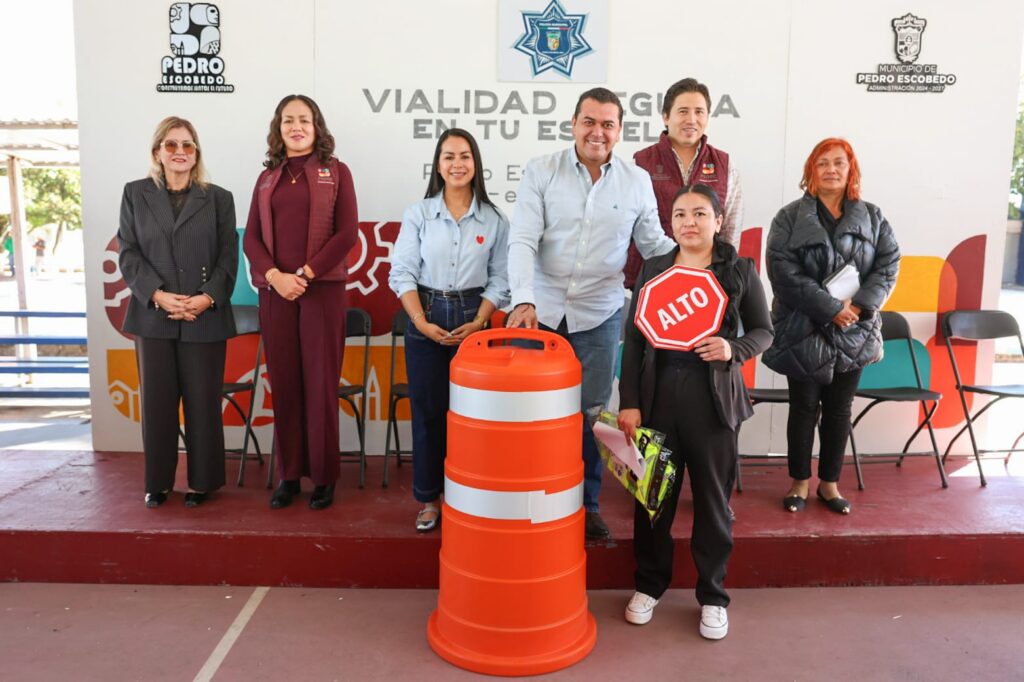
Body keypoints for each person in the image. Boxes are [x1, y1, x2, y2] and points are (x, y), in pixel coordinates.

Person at [506, 87, 676, 540]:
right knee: (532, 413)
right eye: (589, 121)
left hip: (599, 315)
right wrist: (522, 297)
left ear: (619, 131)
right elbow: (522, 239)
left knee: (592, 414)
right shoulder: (541, 171)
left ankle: (587, 506)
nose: (597, 132)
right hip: (537, 314)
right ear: (573, 124)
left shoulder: (636, 181)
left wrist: (699, 261)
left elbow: (655, 246)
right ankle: (529, 499)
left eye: (607, 124)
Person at [617, 184, 773, 640]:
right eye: (681, 213)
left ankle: (712, 596)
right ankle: (649, 585)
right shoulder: (653, 268)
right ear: (671, 223)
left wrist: (733, 347)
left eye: (700, 213)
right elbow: (635, 344)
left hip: (714, 400)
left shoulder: (740, 270)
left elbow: (764, 332)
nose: (690, 221)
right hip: (658, 394)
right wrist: (629, 401)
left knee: (712, 502)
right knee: (653, 501)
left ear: (718, 220)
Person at [763, 138, 900, 515]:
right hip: (802, 327)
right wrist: (829, 308)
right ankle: (799, 483)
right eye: (822, 163)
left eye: (839, 163)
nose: (831, 169)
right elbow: (781, 270)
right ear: (811, 171)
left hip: (855, 328)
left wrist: (857, 306)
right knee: (803, 407)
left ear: (850, 169)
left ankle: (829, 484)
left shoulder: (873, 216)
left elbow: (888, 266)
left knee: (840, 410)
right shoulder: (789, 217)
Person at [388, 128, 510, 532]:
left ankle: (469, 497)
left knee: (474, 418)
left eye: (465, 156)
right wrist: (420, 322)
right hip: (426, 313)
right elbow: (401, 272)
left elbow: (500, 280)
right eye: (448, 157)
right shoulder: (419, 214)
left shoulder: (494, 219)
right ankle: (429, 500)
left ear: (476, 164)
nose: (457, 164)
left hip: (475, 318)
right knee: (428, 414)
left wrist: (478, 323)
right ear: (437, 165)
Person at [243, 94, 359, 511]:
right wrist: (276, 277)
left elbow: (347, 233)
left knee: (320, 384)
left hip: (321, 291)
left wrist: (305, 275)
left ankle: (324, 477)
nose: (296, 127)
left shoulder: (337, 172)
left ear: (316, 127)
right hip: (275, 295)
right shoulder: (267, 178)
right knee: (286, 385)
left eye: (304, 120)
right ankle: (289, 475)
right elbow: (250, 238)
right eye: (288, 120)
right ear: (278, 128)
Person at [118, 115, 238, 508]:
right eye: (171, 145)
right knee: (157, 405)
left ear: (196, 152)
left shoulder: (219, 198)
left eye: (187, 145)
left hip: (204, 314)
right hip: (154, 315)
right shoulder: (135, 194)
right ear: (157, 152)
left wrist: (205, 298)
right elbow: (129, 253)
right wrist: (157, 295)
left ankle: (203, 483)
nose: (180, 152)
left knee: (203, 403)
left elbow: (227, 257)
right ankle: (158, 483)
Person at [625, 77, 744, 290]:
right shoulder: (640, 163)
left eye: (699, 112)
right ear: (665, 117)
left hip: (708, 282)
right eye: (683, 111)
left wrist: (723, 273)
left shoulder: (725, 164)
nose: (691, 119)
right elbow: (628, 226)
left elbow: (730, 229)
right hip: (651, 279)